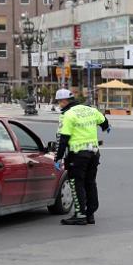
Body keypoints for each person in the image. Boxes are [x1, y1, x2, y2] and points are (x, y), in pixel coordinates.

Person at [54, 89, 110, 225]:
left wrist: (58, 158)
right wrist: (106, 128)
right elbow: (105, 123)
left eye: (59, 102)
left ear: (64, 101)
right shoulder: (90, 110)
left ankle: (80, 215)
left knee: (76, 183)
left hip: (78, 155)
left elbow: (63, 139)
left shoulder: (68, 115)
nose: (59, 105)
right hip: (94, 154)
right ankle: (90, 214)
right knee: (90, 183)